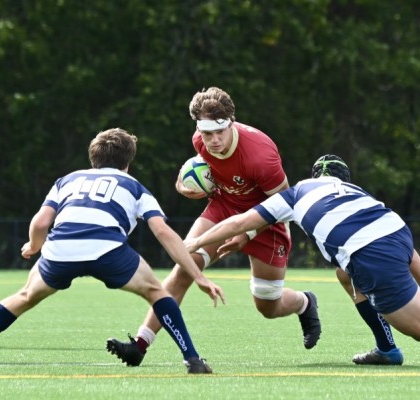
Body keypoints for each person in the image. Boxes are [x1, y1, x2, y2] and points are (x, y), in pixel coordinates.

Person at [184, 154, 420, 368]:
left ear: (314, 174)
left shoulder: (296, 192)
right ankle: (386, 349)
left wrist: (196, 241)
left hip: (373, 252)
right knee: (345, 274)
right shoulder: (355, 190)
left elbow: (241, 221)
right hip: (396, 237)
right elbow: (400, 239)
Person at [0, 128, 225, 375]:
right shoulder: (135, 186)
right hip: (108, 250)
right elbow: (163, 232)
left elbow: (41, 222)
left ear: (93, 159)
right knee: (157, 293)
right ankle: (192, 360)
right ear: (127, 163)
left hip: (60, 250)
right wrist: (197, 276)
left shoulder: (68, 180)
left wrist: (34, 246)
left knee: (24, 296)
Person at [107, 87, 321, 367]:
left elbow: (286, 204)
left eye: (220, 131)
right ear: (198, 128)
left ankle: (305, 302)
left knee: (268, 304)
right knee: (184, 267)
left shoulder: (260, 153)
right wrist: (183, 187)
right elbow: (196, 176)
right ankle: (141, 344)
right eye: (207, 134)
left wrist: (247, 232)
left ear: (231, 122)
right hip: (223, 209)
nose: (214, 140)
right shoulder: (200, 141)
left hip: (266, 220)